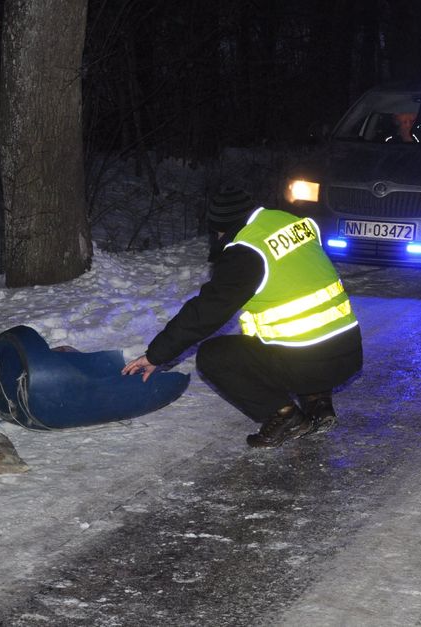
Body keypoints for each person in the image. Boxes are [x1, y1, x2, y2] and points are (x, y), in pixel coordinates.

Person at [121, 185, 363, 448]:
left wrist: (155, 355)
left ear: (220, 228)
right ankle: (318, 403)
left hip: (309, 362)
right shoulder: (293, 221)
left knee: (213, 356)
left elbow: (204, 313)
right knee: (300, 336)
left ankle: (285, 415)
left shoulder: (246, 251)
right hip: (349, 352)